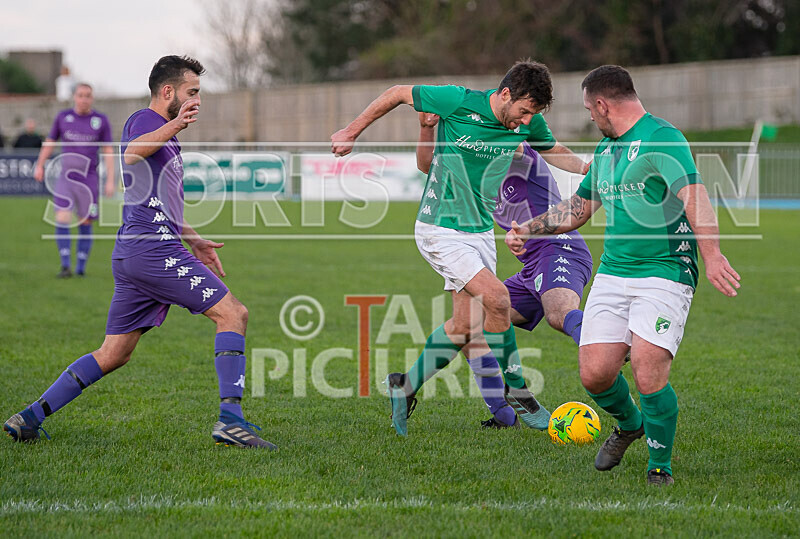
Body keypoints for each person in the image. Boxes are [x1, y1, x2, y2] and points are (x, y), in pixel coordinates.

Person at [4, 55, 275, 450]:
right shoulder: (145, 121)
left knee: (114, 352)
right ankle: (231, 421)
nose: (196, 100)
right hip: (152, 250)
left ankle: (30, 417)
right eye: (192, 92)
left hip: (139, 250)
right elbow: (129, 153)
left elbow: (158, 199)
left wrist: (193, 238)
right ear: (168, 92)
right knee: (233, 313)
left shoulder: (168, 136)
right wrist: (176, 123)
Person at [506, 65, 740, 485]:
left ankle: (659, 466)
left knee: (648, 371)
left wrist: (713, 255)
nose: (590, 119)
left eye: (589, 111)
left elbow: (696, 196)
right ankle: (630, 425)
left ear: (602, 104)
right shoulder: (607, 152)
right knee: (595, 373)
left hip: (665, 272)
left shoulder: (661, 138)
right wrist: (529, 227)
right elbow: (577, 211)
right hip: (614, 273)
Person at [331, 60, 590, 436]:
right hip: (440, 228)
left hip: (480, 231)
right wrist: (351, 131)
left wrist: (587, 170)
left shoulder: (528, 122)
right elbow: (398, 93)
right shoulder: (456, 99)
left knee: (465, 326)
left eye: (531, 115)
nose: (524, 122)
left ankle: (404, 387)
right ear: (504, 94)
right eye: (522, 111)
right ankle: (517, 391)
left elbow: (553, 149)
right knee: (498, 298)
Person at [416, 112, 593, 429]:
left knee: (558, 313)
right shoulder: (476, 173)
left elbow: (517, 145)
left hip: (559, 247)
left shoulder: (518, 152)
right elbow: (427, 166)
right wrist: (426, 128)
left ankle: (603, 343)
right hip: (530, 267)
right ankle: (504, 413)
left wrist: (471, 123)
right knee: (471, 329)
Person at [34, 83, 116, 277]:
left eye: (88, 95)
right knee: (62, 217)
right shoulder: (63, 118)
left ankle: (80, 268)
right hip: (66, 178)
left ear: (92, 98)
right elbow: (50, 142)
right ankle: (65, 266)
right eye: (80, 95)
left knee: (85, 221)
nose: (84, 99)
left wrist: (111, 180)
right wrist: (40, 164)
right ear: (74, 97)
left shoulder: (100, 120)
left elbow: (108, 151)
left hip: (89, 179)